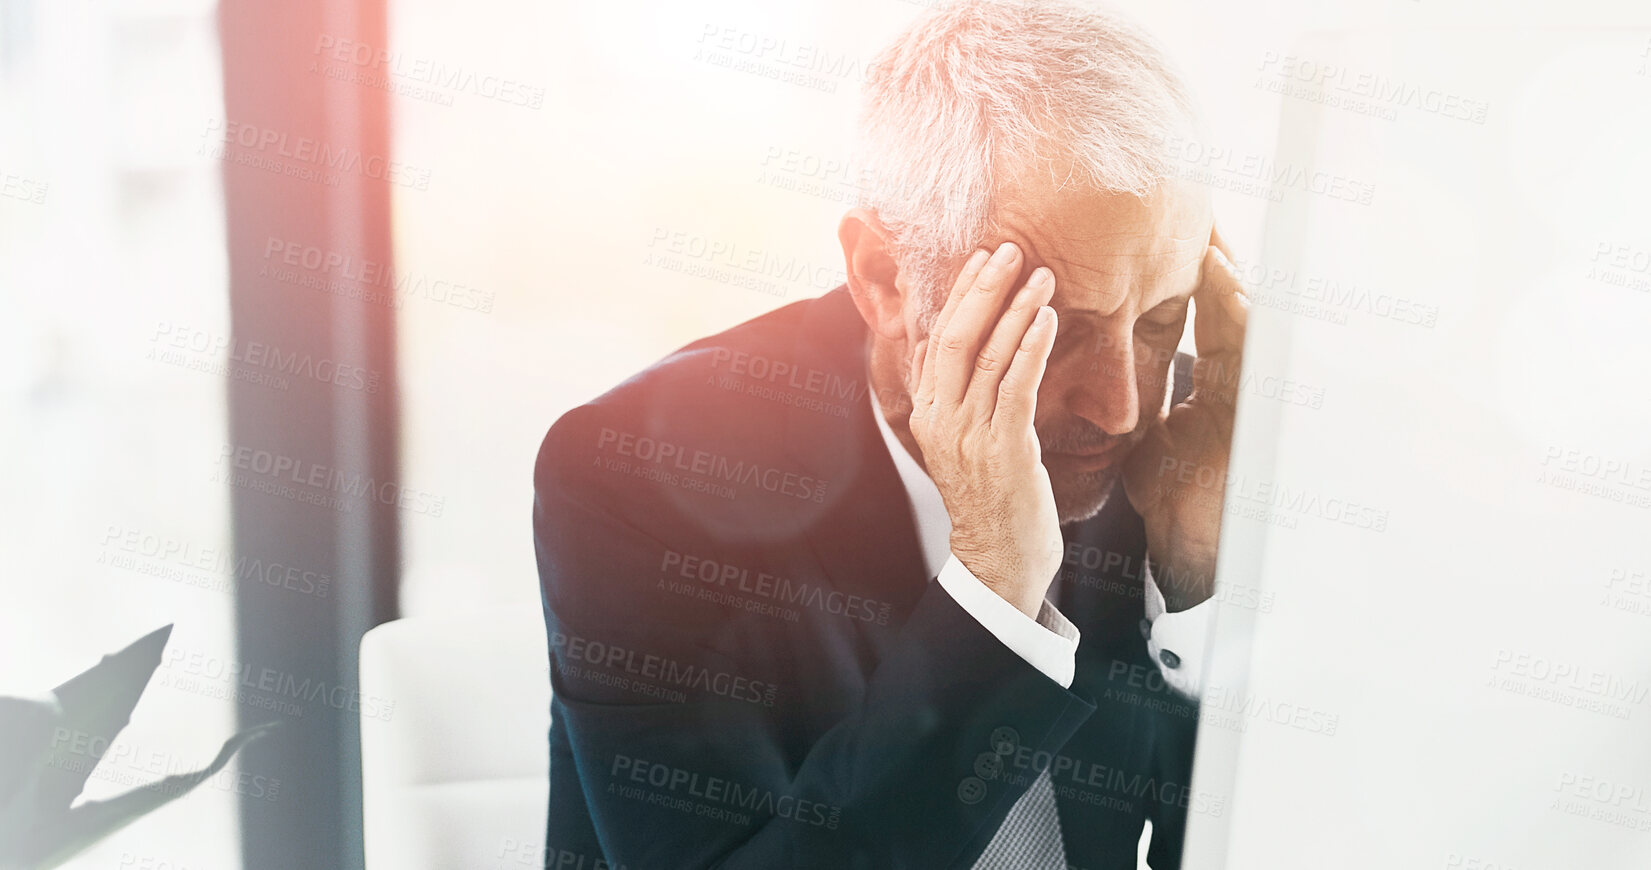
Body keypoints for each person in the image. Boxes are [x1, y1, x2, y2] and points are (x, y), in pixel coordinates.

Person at [532, 1, 1250, 867]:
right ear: (883, 277)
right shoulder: (633, 479)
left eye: (1158, 320)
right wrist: (993, 593)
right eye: (1052, 327)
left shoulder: (1172, 446)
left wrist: (1199, 584)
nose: (1119, 407)